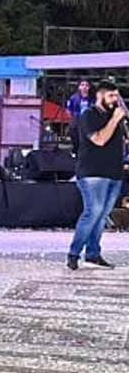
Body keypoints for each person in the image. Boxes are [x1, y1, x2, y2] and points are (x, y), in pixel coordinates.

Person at [68, 78, 125, 270]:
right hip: (93, 173)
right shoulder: (88, 115)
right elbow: (99, 139)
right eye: (111, 95)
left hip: (114, 173)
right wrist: (115, 119)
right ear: (99, 95)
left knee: (102, 215)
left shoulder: (116, 117)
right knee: (93, 212)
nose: (114, 99)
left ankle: (93, 253)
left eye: (116, 96)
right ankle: (74, 253)